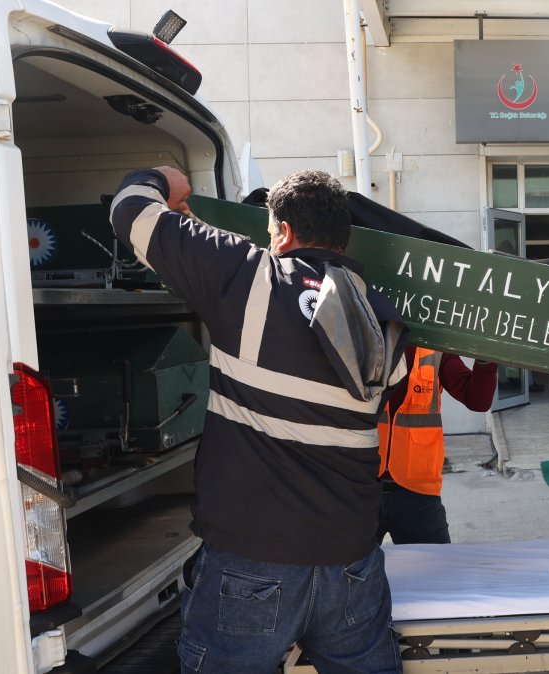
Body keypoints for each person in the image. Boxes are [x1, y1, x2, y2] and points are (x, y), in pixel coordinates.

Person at [110, 167, 409, 673]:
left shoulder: (245, 275)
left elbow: (130, 211)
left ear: (284, 233)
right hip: (351, 561)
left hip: (251, 561)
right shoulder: (383, 320)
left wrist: (163, 178)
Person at [377, 347, 497, 543]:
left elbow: (478, 400)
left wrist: (486, 359)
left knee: (436, 570)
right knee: (341, 572)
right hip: (361, 488)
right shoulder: (365, 335)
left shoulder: (434, 350)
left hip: (418, 495)